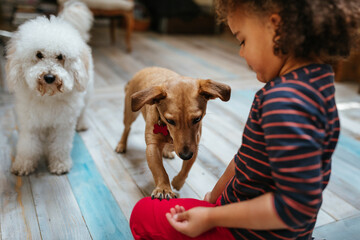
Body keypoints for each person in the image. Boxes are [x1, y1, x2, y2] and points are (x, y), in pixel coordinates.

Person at [129, 0, 360, 239]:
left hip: (249, 233)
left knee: (142, 214)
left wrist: (211, 217)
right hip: (270, 225)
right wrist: (214, 198)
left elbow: (295, 207)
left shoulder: (284, 101)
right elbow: (245, 158)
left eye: (242, 40)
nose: (240, 52)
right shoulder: (319, 82)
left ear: (275, 27)